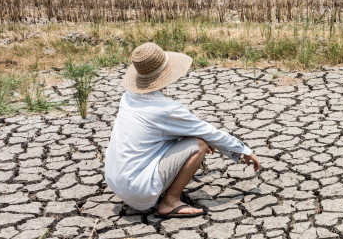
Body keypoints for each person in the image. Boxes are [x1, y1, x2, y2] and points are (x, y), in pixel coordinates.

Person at [105, 42, 260, 218]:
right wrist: (244, 150)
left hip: (116, 181)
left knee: (194, 139)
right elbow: (209, 133)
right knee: (199, 145)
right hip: (139, 190)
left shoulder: (128, 97)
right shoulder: (166, 109)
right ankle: (170, 202)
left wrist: (188, 135)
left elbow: (154, 133)